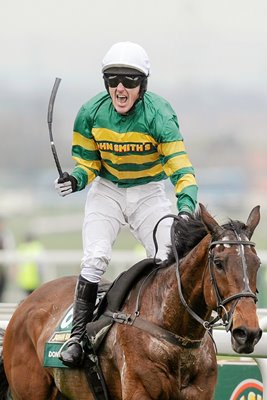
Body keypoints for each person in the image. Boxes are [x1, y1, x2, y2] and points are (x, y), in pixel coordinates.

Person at [55, 41, 198, 367]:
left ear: (142, 86)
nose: (120, 88)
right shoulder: (90, 113)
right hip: (107, 192)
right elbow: (87, 165)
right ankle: (77, 338)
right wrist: (75, 179)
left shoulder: (160, 116)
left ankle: (165, 333)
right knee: (95, 257)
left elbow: (182, 170)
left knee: (167, 255)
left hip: (149, 192)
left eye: (129, 81)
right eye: (113, 79)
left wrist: (186, 208)